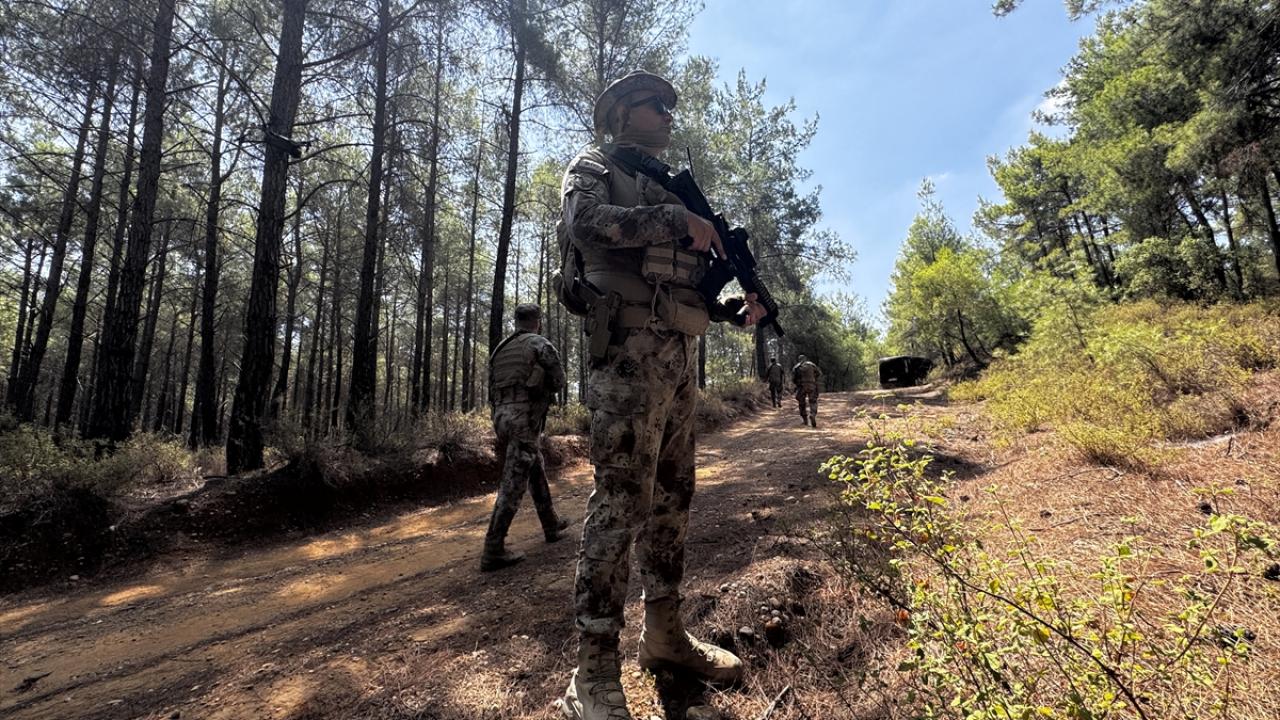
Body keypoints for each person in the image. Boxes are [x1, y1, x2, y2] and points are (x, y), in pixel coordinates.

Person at [555, 70, 766, 719]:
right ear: (622, 113)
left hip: (676, 358)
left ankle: (664, 634)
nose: (669, 115)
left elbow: (685, 285)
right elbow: (586, 225)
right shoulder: (593, 168)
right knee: (622, 502)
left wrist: (731, 309)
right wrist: (675, 219)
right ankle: (592, 670)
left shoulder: (668, 187)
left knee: (674, 496)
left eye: (670, 107)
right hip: (625, 353)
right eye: (657, 105)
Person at [480, 303, 571, 572]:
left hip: (501, 418)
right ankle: (493, 548)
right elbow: (559, 381)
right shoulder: (539, 343)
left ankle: (551, 524)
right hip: (524, 419)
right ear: (537, 321)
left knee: (534, 465)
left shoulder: (500, 349)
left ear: (516, 320)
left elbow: (492, 387)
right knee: (513, 482)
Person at [792, 354, 823, 428]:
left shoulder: (796, 367)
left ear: (799, 360)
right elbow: (819, 373)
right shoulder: (812, 365)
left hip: (801, 386)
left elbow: (794, 378)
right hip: (811, 385)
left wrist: (797, 384)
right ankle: (812, 414)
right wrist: (814, 379)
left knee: (801, 403)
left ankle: (805, 419)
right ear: (805, 359)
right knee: (813, 401)